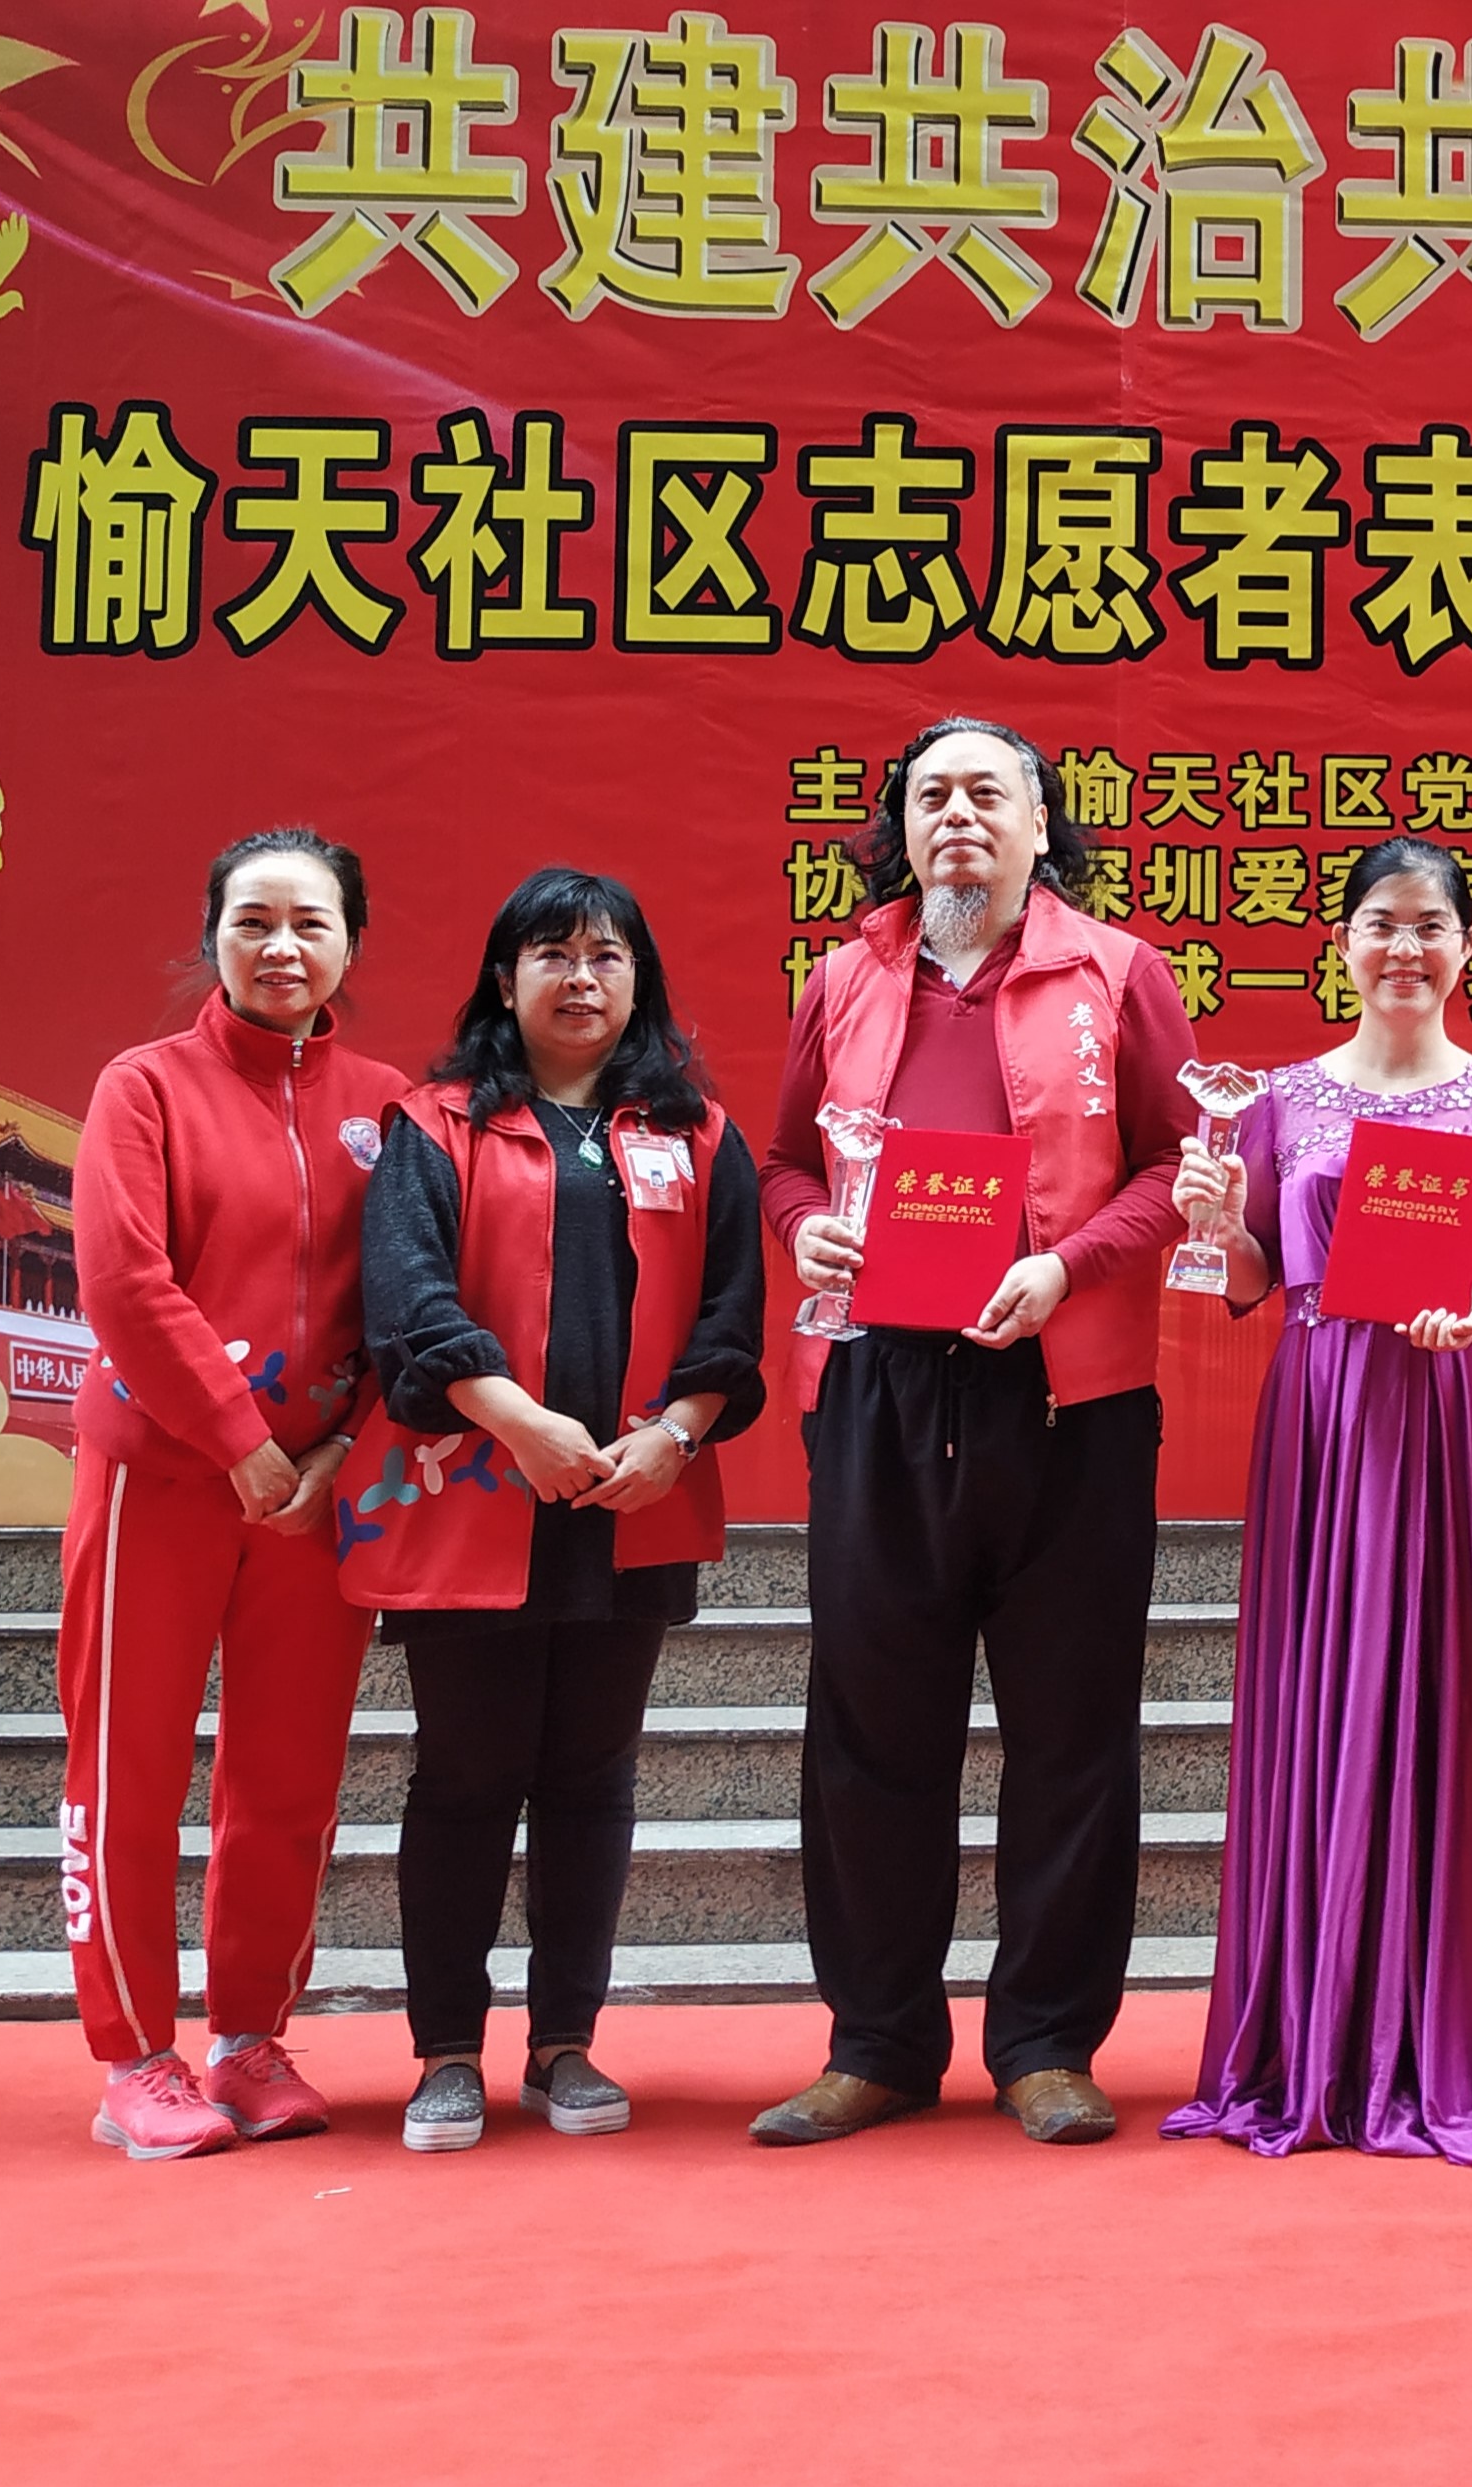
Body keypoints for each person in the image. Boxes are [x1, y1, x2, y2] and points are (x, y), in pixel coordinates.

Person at [751, 717, 1201, 2147]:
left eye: (986, 793)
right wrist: (808, 1230)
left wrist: (1068, 1264)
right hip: (878, 1392)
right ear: (899, 826)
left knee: (1073, 1728)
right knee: (871, 1727)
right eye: (930, 793)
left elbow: (1178, 1162)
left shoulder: (1118, 973)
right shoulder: (844, 977)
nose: (957, 814)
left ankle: (1049, 2044)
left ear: (1039, 823)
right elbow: (780, 1163)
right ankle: (877, 2042)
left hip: (1069, 1395)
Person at [1164, 837, 1472, 2166]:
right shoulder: (1280, 1100)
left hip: (1458, 1412)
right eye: (1381, 925)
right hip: (1327, 1414)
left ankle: (1468, 2033)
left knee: (1458, 1697)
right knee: (1328, 1694)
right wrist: (1215, 1217)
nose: (1405, 949)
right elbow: (1249, 1280)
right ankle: (1322, 2030)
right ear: (1341, 945)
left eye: (1429, 927)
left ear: (1467, 948)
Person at [346, 870, 766, 2152]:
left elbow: (734, 1315)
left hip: (633, 1497)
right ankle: (445, 2053)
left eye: (606, 955)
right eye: (552, 954)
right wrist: (519, 1424)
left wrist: (675, 1435)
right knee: (466, 1779)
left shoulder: (698, 1134)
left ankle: (565, 2043)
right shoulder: (435, 1125)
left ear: (640, 980)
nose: (581, 978)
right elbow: (407, 1302)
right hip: (477, 1491)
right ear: (504, 978)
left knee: (591, 1780)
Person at [58, 830, 403, 2160]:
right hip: (162, 1478)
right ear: (212, 935)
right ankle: (136, 2056)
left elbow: (413, 1299)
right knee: (127, 1769)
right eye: (253, 921)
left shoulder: (390, 1108)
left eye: (311, 924)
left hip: (316, 1498)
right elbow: (125, 1282)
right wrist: (240, 1442)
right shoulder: (144, 1088)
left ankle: (251, 2037)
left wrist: (338, 1451)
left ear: (349, 945)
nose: (281, 948)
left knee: (288, 1778)